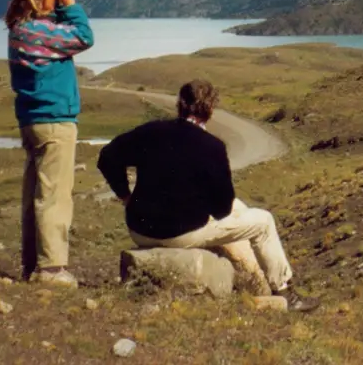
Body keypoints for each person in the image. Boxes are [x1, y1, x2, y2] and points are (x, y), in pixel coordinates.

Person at [96, 79, 316, 310]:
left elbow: (107, 157)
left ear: (180, 104)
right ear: (210, 108)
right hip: (182, 234)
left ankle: (259, 280)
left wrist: (126, 196)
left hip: (139, 229)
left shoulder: (151, 131)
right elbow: (222, 209)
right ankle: (284, 291)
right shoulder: (213, 147)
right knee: (264, 222)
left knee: (240, 206)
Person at [4, 0, 94, 287]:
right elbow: (84, 37)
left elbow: (59, 32)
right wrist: (71, 6)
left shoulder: (22, 30)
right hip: (55, 121)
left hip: (33, 121)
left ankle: (33, 264)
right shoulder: (40, 33)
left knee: (35, 195)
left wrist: (58, 9)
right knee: (54, 196)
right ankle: (52, 269)